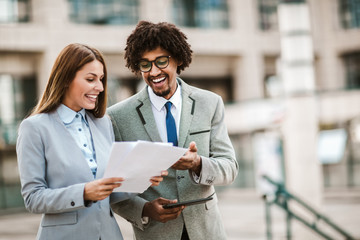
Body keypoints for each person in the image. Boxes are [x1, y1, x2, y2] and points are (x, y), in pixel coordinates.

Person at [16, 43, 166, 240]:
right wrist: (84, 192)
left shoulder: (103, 124)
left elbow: (109, 193)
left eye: (101, 79)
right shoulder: (35, 128)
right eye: (90, 79)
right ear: (66, 79)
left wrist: (141, 179)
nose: (100, 87)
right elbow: (33, 198)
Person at [108, 21, 239, 240]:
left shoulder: (210, 103)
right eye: (145, 64)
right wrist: (144, 209)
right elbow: (115, 189)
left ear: (177, 59)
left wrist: (198, 164)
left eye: (161, 61)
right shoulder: (118, 117)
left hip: (207, 232)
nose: (154, 71)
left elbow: (230, 168)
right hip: (155, 234)